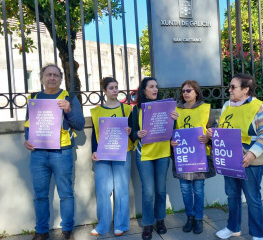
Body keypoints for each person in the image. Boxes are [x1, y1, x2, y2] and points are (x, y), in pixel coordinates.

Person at [207, 73, 263, 240]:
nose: (229, 90)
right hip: (231, 159)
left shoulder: (259, 107)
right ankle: (233, 228)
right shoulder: (226, 106)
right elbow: (225, 129)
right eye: (229, 86)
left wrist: (252, 153)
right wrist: (214, 133)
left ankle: (258, 235)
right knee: (232, 195)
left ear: (246, 90)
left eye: (233, 87)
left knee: (252, 198)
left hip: (250, 160)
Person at [23, 64, 85, 240]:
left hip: (62, 152)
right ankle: (41, 231)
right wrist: (27, 139)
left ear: (60, 78)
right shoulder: (34, 98)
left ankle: (67, 231)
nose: (52, 78)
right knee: (40, 195)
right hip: (38, 153)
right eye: (48, 75)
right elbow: (28, 123)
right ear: (42, 78)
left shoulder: (69, 98)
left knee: (65, 194)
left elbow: (79, 124)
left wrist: (68, 110)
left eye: (56, 75)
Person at [130, 77, 179, 240]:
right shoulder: (136, 110)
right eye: (151, 87)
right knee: (148, 192)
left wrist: (175, 119)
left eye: (156, 86)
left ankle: (160, 220)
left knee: (160, 190)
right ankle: (148, 224)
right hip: (144, 155)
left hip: (163, 154)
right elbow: (132, 133)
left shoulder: (167, 108)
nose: (155, 89)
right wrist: (137, 134)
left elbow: (173, 131)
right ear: (144, 90)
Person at [171, 80, 217, 234]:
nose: (185, 93)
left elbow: (213, 129)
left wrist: (208, 137)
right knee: (185, 189)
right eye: (183, 90)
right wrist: (171, 141)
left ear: (196, 92)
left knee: (198, 189)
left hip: (199, 156)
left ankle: (198, 218)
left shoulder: (205, 108)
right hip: (183, 156)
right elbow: (169, 131)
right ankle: (189, 217)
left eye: (189, 90)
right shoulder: (175, 110)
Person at [90, 77, 132, 237]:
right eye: (111, 88)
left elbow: (134, 131)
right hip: (103, 153)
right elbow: (95, 133)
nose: (115, 90)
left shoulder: (127, 109)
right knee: (102, 190)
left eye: (116, 87)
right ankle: (103, 225)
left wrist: (130, 131)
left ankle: (121, 224)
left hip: (122, 152)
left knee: (121, 189)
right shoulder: (96, 111)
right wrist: (94, 150)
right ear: (104, 91)